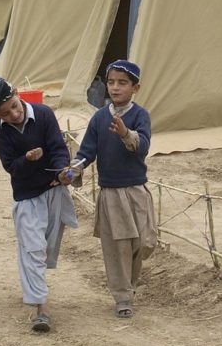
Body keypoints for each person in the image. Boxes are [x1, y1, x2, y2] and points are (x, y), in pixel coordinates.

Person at [0, 77, 77, 332]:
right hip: (27, 197)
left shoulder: (44, 114)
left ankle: (34, 286)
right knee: (32, 249)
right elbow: (11, 167)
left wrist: (62, 170)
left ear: (17, 94)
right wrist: (27, 158)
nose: (14, 114)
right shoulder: (1, 131)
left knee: (45, 248)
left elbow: (57, 148)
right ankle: (40, 308)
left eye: (14, 105)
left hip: (53, 191)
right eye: (5, 113)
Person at [63, 59, 155, 320]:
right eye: (111, 82)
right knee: (118, 247)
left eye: (122, 83)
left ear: (135, 88)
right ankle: (122, 296)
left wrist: (126, 133)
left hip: (136, 191)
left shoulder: (140, 116)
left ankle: (130, 285)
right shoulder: (100, 117)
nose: (115, 88)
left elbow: (143, 146)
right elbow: (86, 152)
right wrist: (73, 171)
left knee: (142, 243)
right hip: (111, 193)